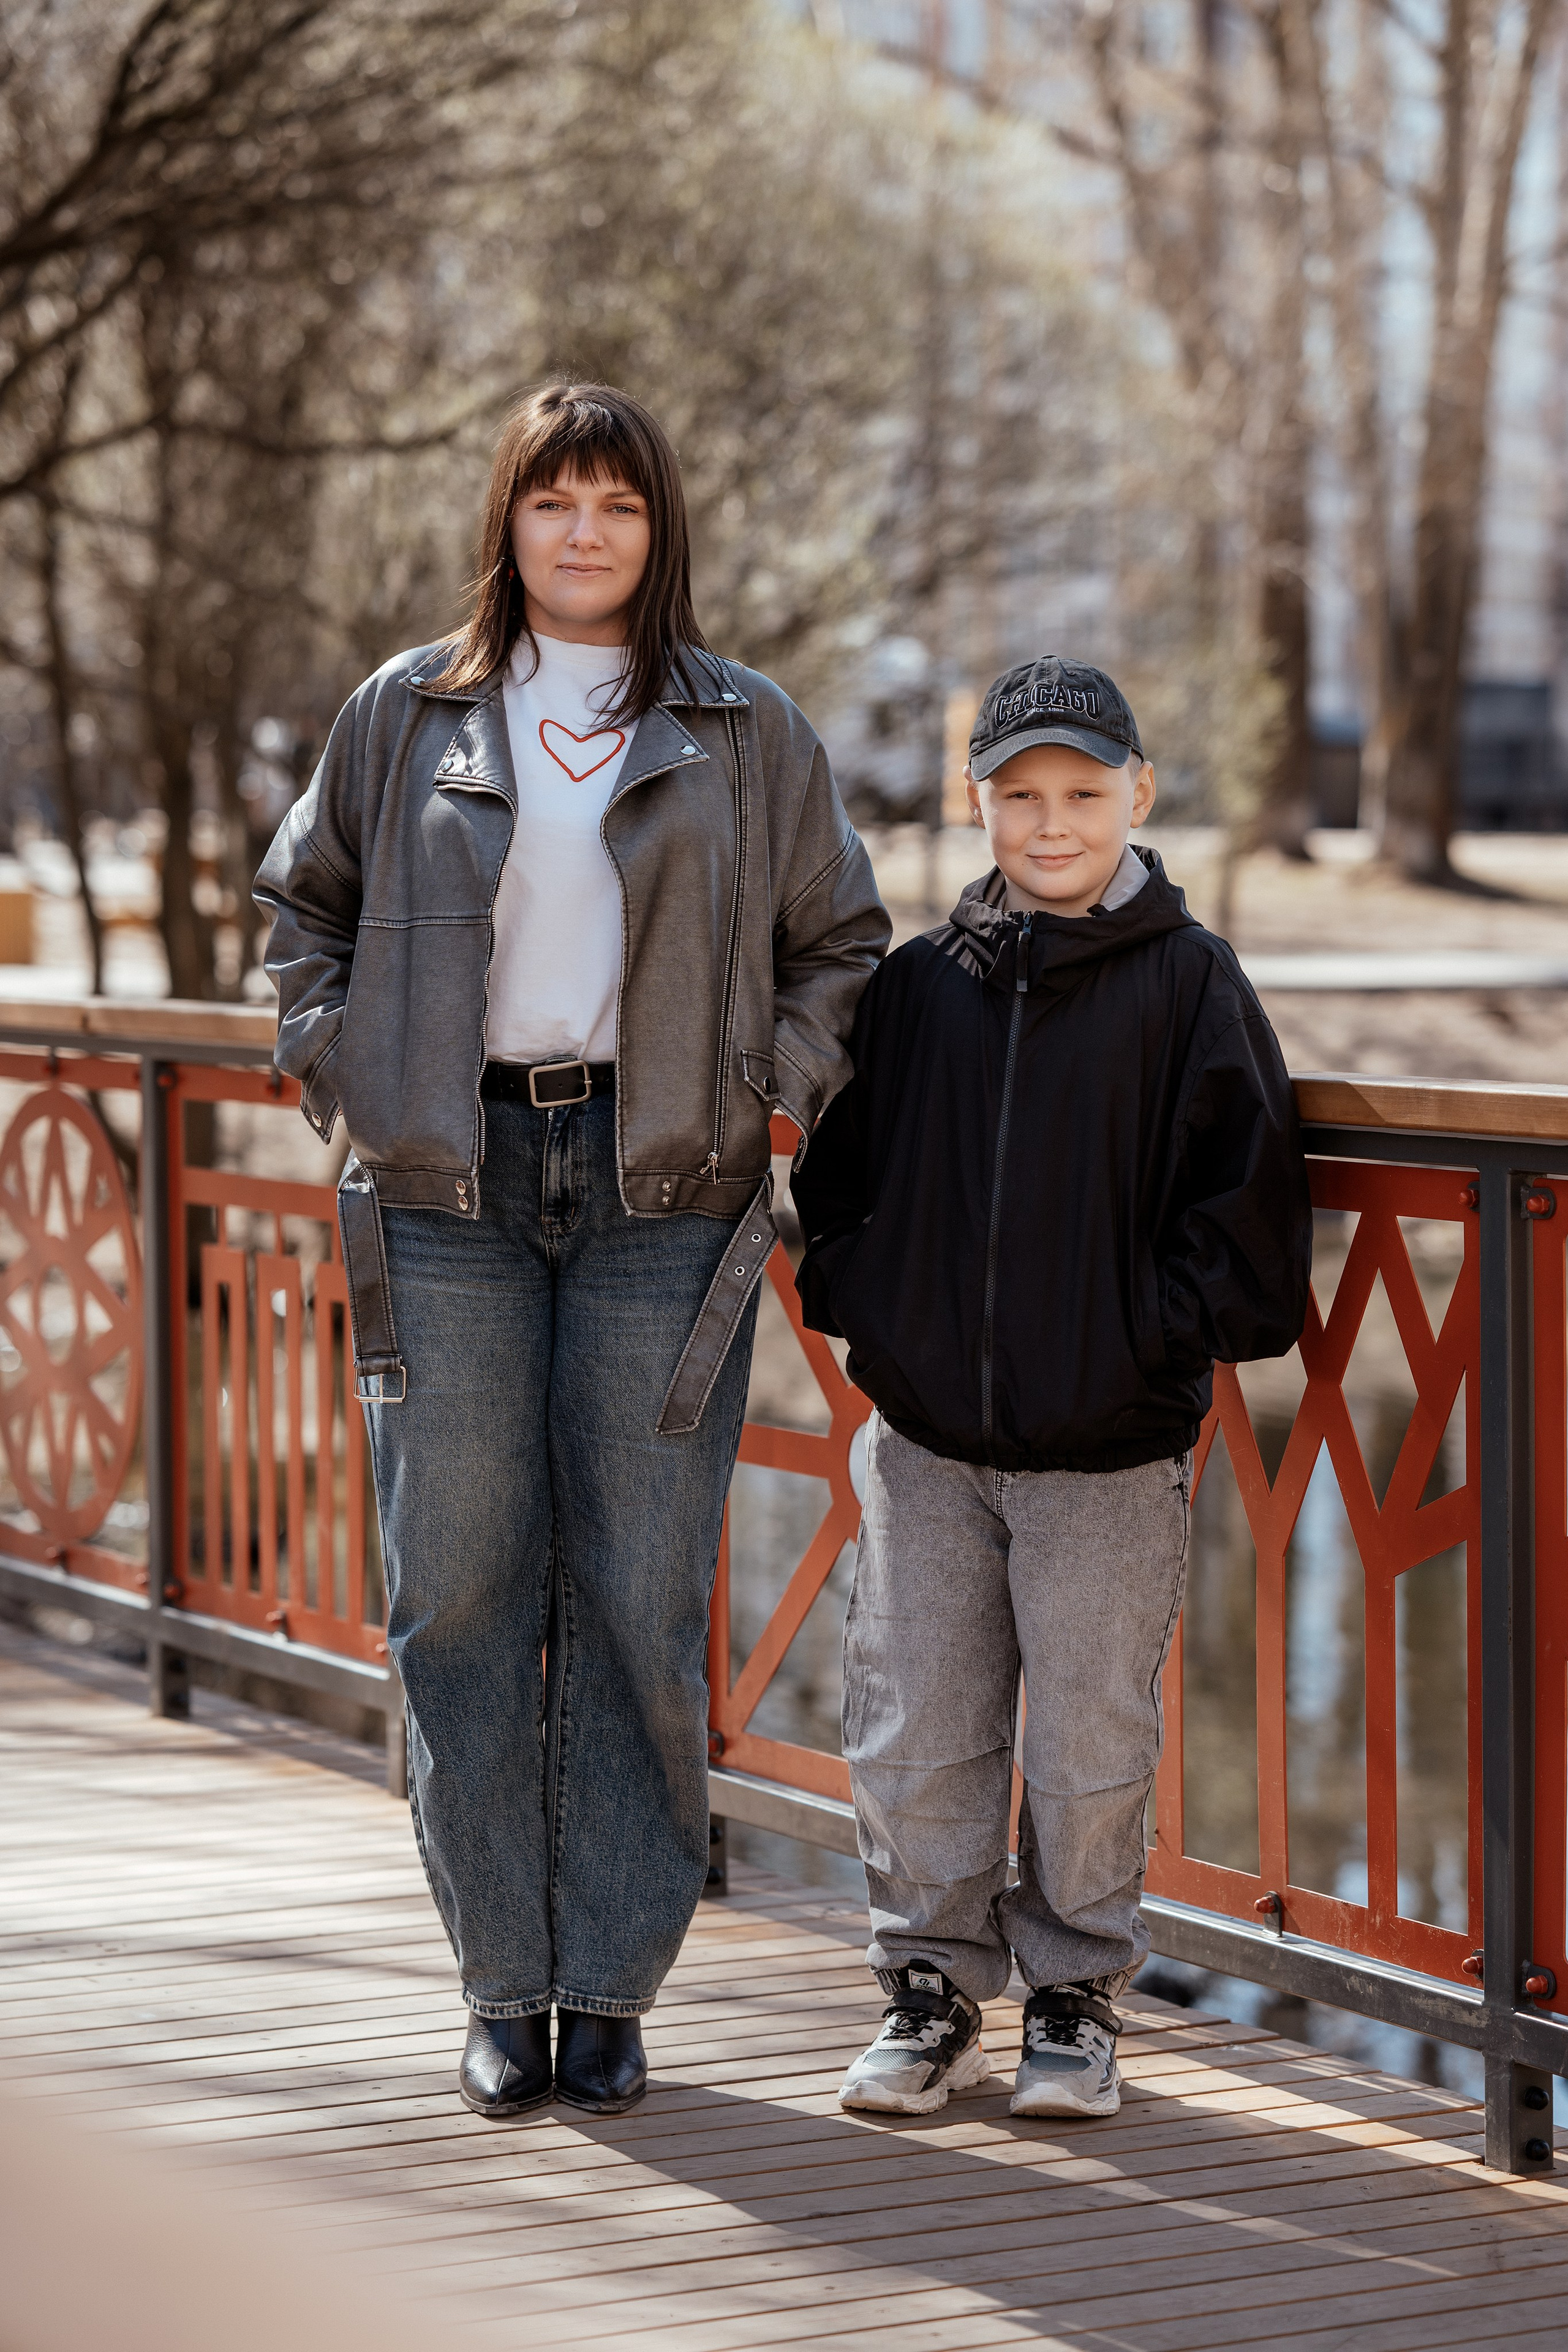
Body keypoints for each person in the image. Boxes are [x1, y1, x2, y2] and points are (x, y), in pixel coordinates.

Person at [256, 383, 889, 2120]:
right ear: (510, 522)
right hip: (445, 1184)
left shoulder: (747, 728)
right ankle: (496, 1980)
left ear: (656, 528)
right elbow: (297, 905)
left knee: (632, 1590)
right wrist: (342, 1062)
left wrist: (771, 1089)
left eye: (617, 503)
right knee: (456, 1585)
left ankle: (603, 1985)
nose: (586, 531)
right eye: (555, 502)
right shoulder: (408, 712)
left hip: (663, 1187)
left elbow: (841, 942)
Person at [793, 655, 1311, 2120]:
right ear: (977, 807)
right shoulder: (916, 990)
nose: (1050, 821)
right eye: (1018, 795)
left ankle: (1073, 1998)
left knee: (1088, 1743)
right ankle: (927, 1990)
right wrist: (882, 1320)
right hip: (927, 1445)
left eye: (1082, 792)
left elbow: (1252, 1231)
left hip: (1108, 1448)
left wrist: (1135, 1342)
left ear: (1137, 797)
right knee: (918, 1723)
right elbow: (835, 1193)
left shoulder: (1191, 986)